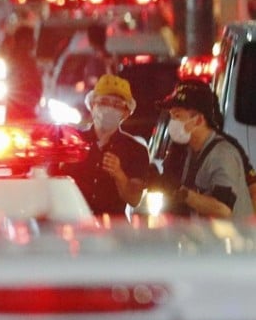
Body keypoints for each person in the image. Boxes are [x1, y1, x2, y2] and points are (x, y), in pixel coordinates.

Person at [150, 80, 254, 221]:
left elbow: (222, 209)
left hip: (232, 240)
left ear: (198, 120)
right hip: (203, 238)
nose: (172, 122)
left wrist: (181, 193)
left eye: (177, 116)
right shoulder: (187, 149)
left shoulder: (223, 153)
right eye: (171, 116)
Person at [56, 75, 149, 219]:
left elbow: (134, 200)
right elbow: (50, 184)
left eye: (117, 105)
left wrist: (119, 175)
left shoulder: (136, 151)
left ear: (126, 113)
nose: (109, 108)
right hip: (72, 226)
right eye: (104, 102)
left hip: (112, 233)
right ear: (92, 106)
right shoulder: (72, 141)